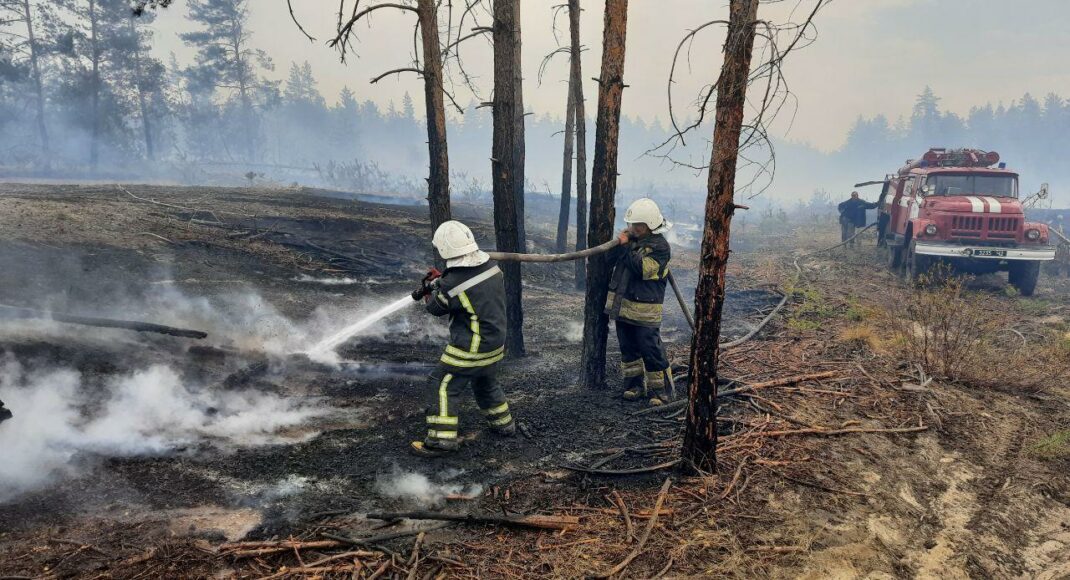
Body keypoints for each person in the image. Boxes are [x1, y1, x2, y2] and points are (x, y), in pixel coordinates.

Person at [411, 220, 514, 457]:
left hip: (471, 348)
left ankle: (440, 440)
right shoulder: (491, 266)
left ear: (446, 249)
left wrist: (435, 289)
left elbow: (435, 309)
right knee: (485, 380)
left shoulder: (452, 285)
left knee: (442, 384)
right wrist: (443, 281)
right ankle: (504, 425)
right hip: (495, 343)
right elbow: (469, 287)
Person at [605, 198, 674, 406]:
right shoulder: (631, 241)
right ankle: (634, 385)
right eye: (631, 224)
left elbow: (643, 269)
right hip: (623, 305)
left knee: (650, 349)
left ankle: (661, 392)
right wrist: (619, 245)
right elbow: (609, 261)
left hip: (645, 309)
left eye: (637, 225)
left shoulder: (660, 247)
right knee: (628, 348)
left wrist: (626, 248)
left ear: (650, 226)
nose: (632, 228)